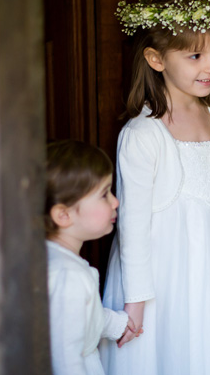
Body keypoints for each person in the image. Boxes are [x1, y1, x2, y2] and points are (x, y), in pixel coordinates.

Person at [99, 0, 210, 375]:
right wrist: (135, 301)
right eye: (195, 55)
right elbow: (133, 225)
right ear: (156, 59)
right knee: (169, 351)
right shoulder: (143, 134)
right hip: (164, 274)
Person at [45, 140, 139, 375]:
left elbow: (79, 315)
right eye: (104, 194)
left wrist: (115, 324)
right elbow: (65, 359)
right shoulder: (70, 277)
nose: (115, 201)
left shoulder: (51, 258)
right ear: (63, 215)